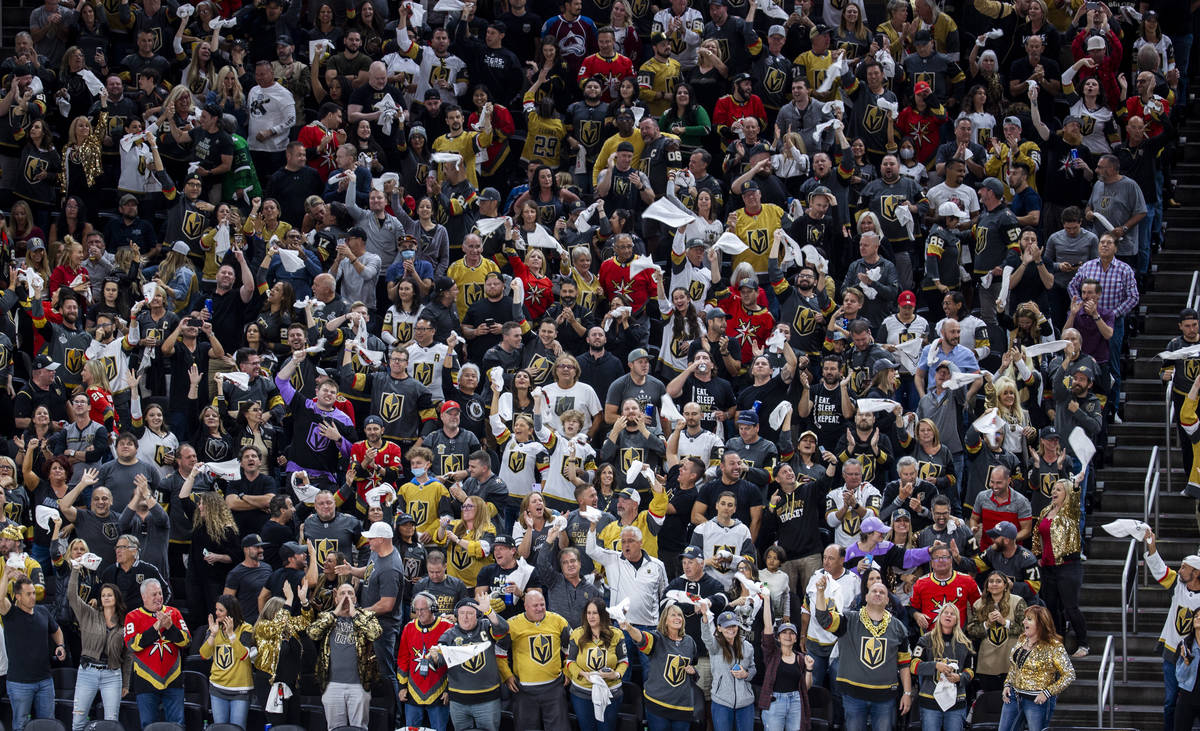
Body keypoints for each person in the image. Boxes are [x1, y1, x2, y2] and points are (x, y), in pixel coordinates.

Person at [813, 572, 913, 731]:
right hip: (854, 696)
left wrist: (907, 693)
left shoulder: (898, 627)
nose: (878, 594)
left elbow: (904, 664)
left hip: (885, 697)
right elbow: (824, 619)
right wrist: (820, 592)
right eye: (874, 591)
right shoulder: (848, 619)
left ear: (888, 600)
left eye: (882, 592)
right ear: (865, 597)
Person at [306, 582, 382, 729]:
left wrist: (354, 615)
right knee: (335, 728)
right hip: (332, 684)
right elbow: (312, 633)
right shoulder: (327, 617)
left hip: (359, 685)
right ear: (335, 598)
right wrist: (334, 614)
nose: (346, 596)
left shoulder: (367, 616)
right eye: (342, 593)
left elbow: (375, 633)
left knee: (359, 727)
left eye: (350, 593)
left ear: (355, 598)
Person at [1, 567, 65, 731]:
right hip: (19, 683)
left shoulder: (43, 611)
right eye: (28, 594)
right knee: (20, 725)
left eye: (33, 593)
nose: (32, 597)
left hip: (45, 680)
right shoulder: (11, 614)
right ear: (18, 596)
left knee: (47, 723)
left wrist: (60, 645)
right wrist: (6, 576)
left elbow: (56, 630)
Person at [621, 602, 698, 731]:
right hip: (658, 706)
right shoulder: (657, 638)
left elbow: (692, 666)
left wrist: (693, 671)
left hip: (683, 707)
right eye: (673, 615)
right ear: (665, 620)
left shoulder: (689, 641)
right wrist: (629, 627)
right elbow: (641, 638)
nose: (677, 617)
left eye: (679, 615)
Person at [998, 605, 1075, 731]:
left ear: (1040, 623)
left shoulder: (1053, 646)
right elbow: (1014, 666)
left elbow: (1069, 674)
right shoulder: (1023, 639)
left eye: (1029, 619)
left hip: (1037, 700)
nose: (1024, 622)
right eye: (1025, 618)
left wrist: (1048, 692)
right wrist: (1007, 684)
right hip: (1013, 697)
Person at [125, 579, 191, 727]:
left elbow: (186, 641)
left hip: (173, 679)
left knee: (177, 725)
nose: (159, 597)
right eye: (154, 594)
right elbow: (132, 645)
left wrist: (170, 627)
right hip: (145, 680)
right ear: (144, 597)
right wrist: (156, 627)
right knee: (148, 725)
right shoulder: (132, 617)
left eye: (160, 593)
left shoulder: (174, 613)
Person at [565, 597, 628, 731]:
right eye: (589, 613)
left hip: (610, 692)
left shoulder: (616, 634)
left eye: (595, 613)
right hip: (582, 694)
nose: (591, 616)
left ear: (603, 614)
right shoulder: (577, 634)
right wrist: (583, 674)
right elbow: (570, 662)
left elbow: (624, 661)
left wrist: (615, 674)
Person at [912, 603, 975, 731]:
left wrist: (960, 677)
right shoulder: (925, 640)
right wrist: (935, 666)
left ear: (957, 619)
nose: (949, 615)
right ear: (940, 616)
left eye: (952, 614)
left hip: (956, 703)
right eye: (946, 612)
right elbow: (913, 666)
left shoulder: (966, 644)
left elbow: (971, 670)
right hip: (930, 702)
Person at [396, 591, 453, 731]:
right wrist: (402, 686)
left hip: (439, 690)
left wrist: (448, 689)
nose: (419, 613)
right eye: (417, 610)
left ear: (433, 609)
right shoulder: (409, 627)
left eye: (423, 610)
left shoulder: (448, 628)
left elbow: (453, 662)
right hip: (413, 690)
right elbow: (403, 658)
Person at [197, 595, 256, 729]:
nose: (217, 613)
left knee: (237, 728)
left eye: (221, 610)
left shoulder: (246, 629)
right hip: (217, 688)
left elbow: (244, 655)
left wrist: (231, 635)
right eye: (216, 609)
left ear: (230, 612)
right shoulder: (214, 629)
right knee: (220, 728)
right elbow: (204, 655)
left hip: (240, 690)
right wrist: (212, 634)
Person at [758, 594, 813, 731]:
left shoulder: (801, 658)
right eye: (784, 633)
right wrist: (766, 600)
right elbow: (768, 627)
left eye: (791, 633)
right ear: (778, 637)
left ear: (795, 638)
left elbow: (806, 687)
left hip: (795, 702)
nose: (788, 636)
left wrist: (810, 669)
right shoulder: (772, 654)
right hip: (775, 701)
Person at [700, 607, 757, 731]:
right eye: (727, 626)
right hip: (722, 703)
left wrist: (745, 674)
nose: (731, 629)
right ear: (719, 628)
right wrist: (705, 617)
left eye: (734, 626)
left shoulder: (747, 646)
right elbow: (706, 637)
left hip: (745, 704)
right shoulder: (715, 645)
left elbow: (753, 669)